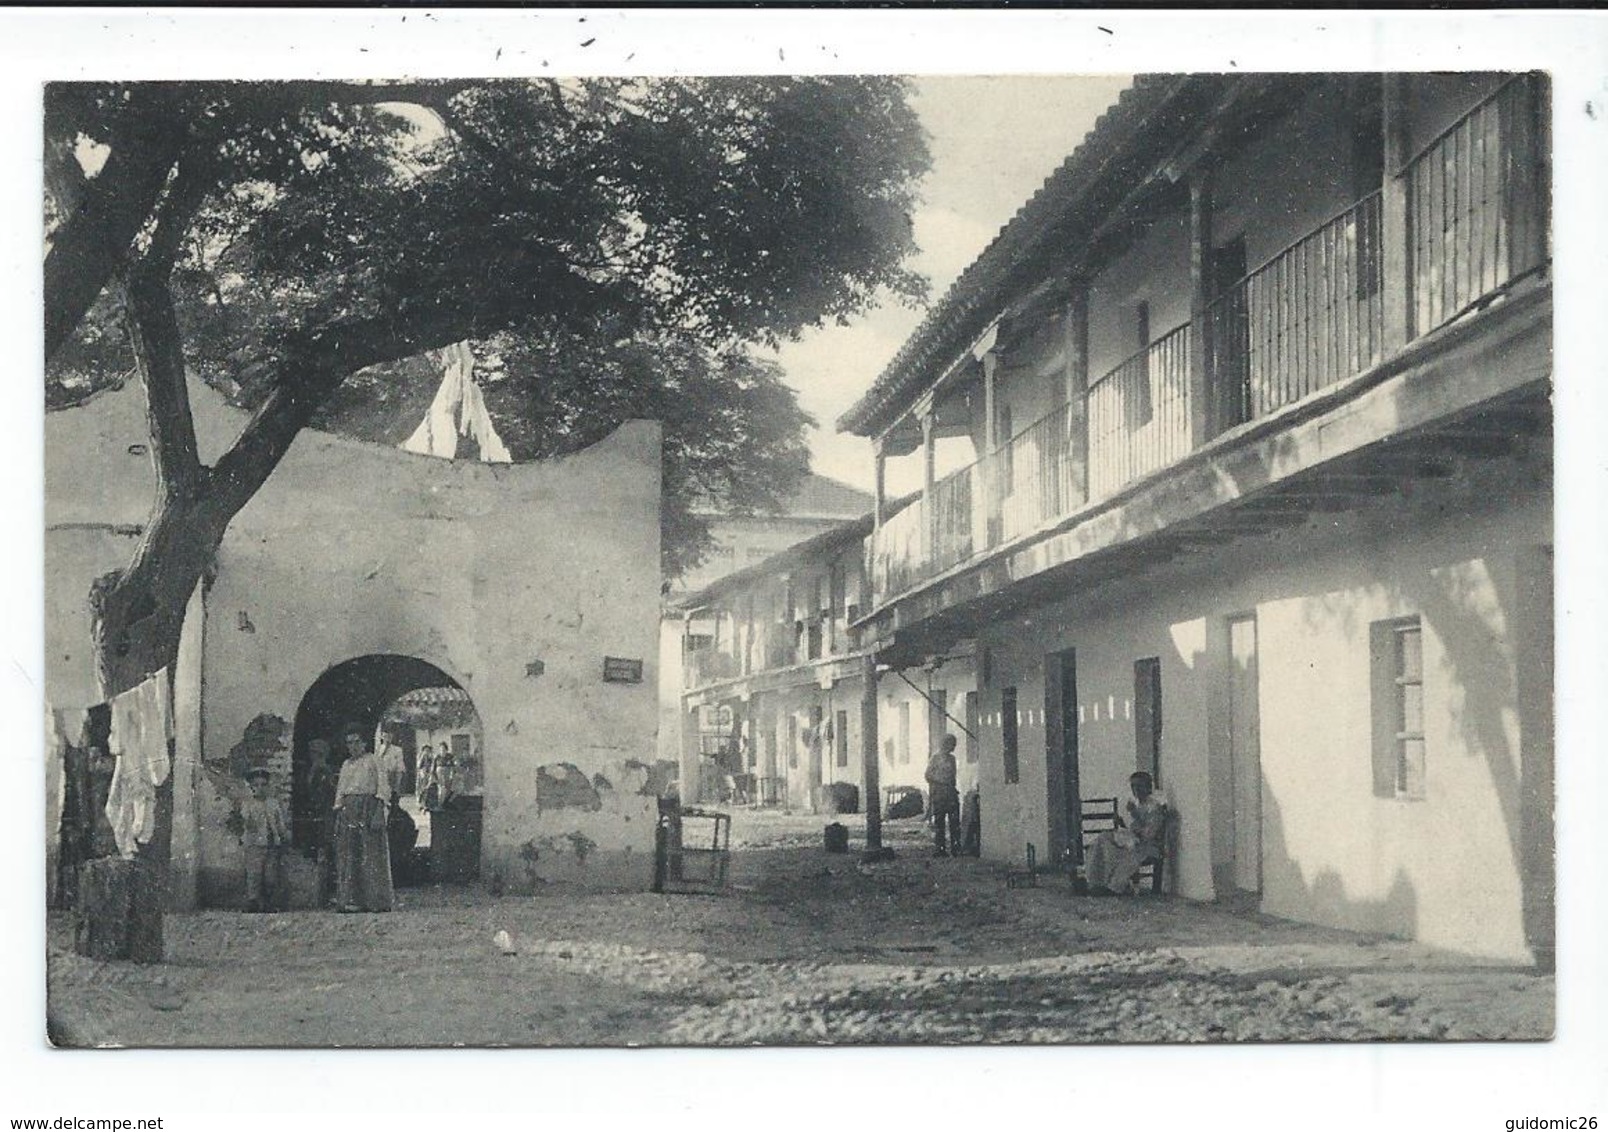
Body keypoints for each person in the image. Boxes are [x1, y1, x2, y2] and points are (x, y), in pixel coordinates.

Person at [332, 724, 393, 912]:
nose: (353, 746)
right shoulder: (346, 764)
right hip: (349, 810)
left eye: (356, 742)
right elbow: (341, 790)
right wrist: (339, 810)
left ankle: (374, 900)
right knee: (349, 854)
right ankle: (351, 900)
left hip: (368, 808)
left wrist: (378, 812)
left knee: (371, 853)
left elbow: (383, 787)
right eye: (349, 743)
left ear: (365, 743)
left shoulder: (374, 761)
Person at [1085, 771, 1170, 895]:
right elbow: (1131, 828)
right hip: (1133, 841)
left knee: (1125, 853)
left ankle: (1114, 887)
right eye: (1133, 786)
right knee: (1103, 840)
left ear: (1148, 787)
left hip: (1148, 846)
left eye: (1139, 786)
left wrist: (1135, 816)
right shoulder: (1136, 804)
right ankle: (1095, 882)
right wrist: (1122, 823)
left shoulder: (1154, 807)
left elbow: (1149, 834)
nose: (1136, 790)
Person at [240, 767, 290, 913]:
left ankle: (269, 902)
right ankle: (253, 902)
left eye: (263, 785)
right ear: (251, 787)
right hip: (254, 843)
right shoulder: (248, 804)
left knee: (270, 875)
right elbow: (244, 822)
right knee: (254, 873)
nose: (260, 789)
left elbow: (279, 822)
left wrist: (283, 835)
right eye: (256, 786)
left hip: (271, 844)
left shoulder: (273, 803)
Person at [924, 733, 961, 857]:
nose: (954, 747)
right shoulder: (935, 758)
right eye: (952, 744)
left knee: (954, 822)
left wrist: (951, 785)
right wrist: (942, 781)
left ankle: (955, 848)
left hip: (950, 793)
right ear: (946, 744)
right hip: (939, 794)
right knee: (939, 823)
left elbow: (953, 776)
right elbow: (928, 775)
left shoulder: (952, 759)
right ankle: (940, 849)